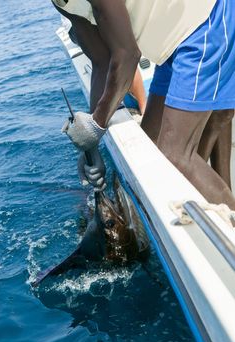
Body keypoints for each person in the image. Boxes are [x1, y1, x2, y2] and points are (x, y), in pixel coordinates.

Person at [53, 0, 235, 209]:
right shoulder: (59, 2)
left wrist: (97, 124)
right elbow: (102, 61)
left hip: (205, 23)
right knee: (149, 149)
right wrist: (91, 147)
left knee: (174, 156)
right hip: (171, 45)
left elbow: (128, 55)